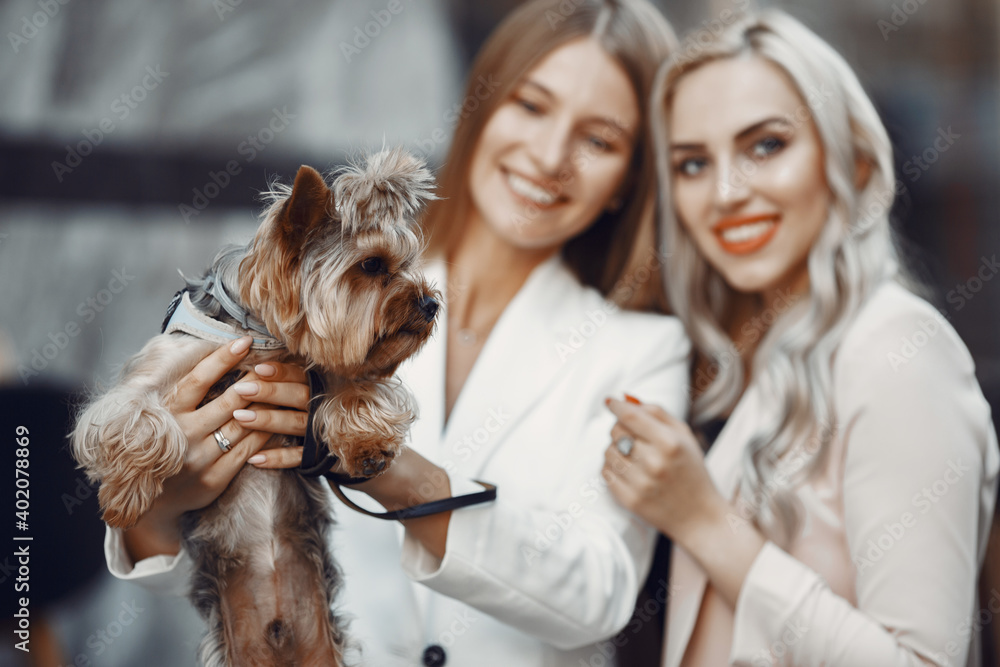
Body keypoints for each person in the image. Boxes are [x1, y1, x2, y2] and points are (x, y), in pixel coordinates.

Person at [104, 1, 691, 665]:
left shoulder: (642, 351)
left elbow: (601, 598)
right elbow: (175, 581)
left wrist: (382, 466)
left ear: (628, 180)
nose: (551, 154)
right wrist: (160, 505)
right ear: (483, 103)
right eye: (531, 104)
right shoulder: (314, 294)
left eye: (600, 140)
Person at [601, 9, 1000, 667]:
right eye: (694, 163)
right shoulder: (753, 358)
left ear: (858, 165)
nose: (726, 192)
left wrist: (703, 519)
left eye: (766, 145)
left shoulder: (899, 349)